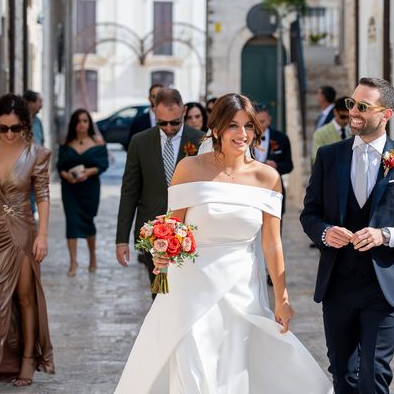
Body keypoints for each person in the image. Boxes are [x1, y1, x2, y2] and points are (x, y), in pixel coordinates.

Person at [115, 93, 332, 393]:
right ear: (216, 129)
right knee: (193, 366)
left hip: (241, 288)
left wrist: (282, 299)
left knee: (233, 370)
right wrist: (160, 253)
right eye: (233, 125)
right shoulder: (189, 168)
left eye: (248, 126)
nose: (242, 134)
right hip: (189, 287)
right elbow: (170, 224)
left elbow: (272, 244)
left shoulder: (267, 177)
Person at [301, 77, 394, 394]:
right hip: (338, 285)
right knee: (343, 376)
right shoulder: (329, 156)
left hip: (383, 287)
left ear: (386, 114)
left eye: (363, 106)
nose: (353, 112)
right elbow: (309, 213)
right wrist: (324, 231)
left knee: (373, 376)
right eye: (351, 103)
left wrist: (385, 235)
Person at [115, 88, 204, 293]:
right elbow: (129, 191)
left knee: (186, 293)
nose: (169, 128)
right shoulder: (139, 142)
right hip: (151, 231)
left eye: (175, 122)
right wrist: (121, 239)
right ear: (154, 111)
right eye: (162, 123)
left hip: (190, 229)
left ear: (184, 111)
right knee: (159, 293)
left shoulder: (200, 141)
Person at [0, 94, 54, 387]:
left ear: (25, 126)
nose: (8, 134)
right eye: (2, 128)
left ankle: (28, 360)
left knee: (25, 297)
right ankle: (2, 358)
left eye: (14, 128)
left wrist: (42, 235)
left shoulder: (37, 154)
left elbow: (42, 195)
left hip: (22, 232)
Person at [56, 109, 109, 277]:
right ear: (74, 124)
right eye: (78, 121)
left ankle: (92, 257)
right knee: (71, 222)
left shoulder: (98, 142)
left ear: (89, 123)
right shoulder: (66, 143)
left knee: (88, 221)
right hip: (70, 188)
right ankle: (73, 261)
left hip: (90, 188)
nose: (82, 124)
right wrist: (66, 176)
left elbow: (103, 164)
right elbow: (60, 166)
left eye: (85, 121)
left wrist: (88, 172)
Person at [253, 103, 293, 214]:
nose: (260, 125)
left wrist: (276, 166)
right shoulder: (245, 138)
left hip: (274, 189)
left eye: (263, 121)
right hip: (251, 189)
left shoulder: (281, 138)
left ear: (269, 120)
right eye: (256, 122)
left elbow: (289, 165)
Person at [311, 97, 350, 163]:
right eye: (343, 117)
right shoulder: (320, 134)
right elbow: (316, 159)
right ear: (335, 112)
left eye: (349, 117)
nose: (346, 120)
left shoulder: (356, 132)